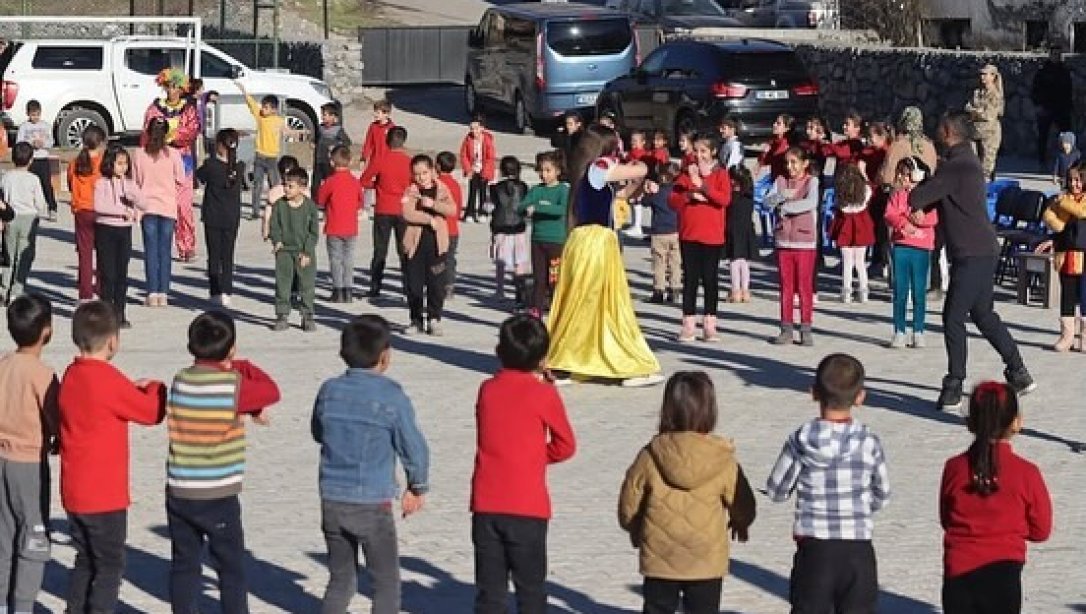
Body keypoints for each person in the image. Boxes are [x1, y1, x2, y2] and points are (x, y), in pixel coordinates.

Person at [909, 110, 1036, 411]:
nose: (936, 131)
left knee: (953, 317)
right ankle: (1018, 372)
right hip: (980, 249)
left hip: (973, 253)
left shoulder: (957, 166)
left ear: (949, 132)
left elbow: (918, 197)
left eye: (940, 127)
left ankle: (954, 385)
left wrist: (920, 189)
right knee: (983, 315)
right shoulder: (965, 163)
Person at [312, 315, 430, 614]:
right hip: (372, 502)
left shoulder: (329, 390)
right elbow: (413, 446)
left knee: (341, 580)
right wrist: (417, 485)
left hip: (332, 498)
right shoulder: (390, 394)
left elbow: (317, 431)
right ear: (385, 356)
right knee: (386, 582)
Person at [166, 311, 280, 613]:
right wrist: (241, 365)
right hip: (218, 493)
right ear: (231, 348)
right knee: (230, 568)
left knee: (184, 564)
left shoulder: (180, 380)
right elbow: (271, 390)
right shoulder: (232, 385)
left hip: (179, 489)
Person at [58, 301, 167, 614]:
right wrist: (155, 387)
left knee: (84, 560)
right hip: (105, 495)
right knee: (109, 566)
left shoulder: (73, 374)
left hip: (74, 491)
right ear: (113, 341)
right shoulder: (107, 378)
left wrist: (129, 388)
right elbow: (151, 412)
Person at [619, 371, 755, 614]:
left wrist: (635, 528)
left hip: (660, 554)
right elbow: (741, 500)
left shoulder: (651, 454)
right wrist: (741, 521)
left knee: (657, 608)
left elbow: (629, 502)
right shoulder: (722, 458)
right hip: (706, 556)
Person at [766, 353, 890, 614]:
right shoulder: (869, 442)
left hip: (815, 550)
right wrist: (860, 504)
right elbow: (882, 493)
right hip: (858, 551)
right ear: (860, 397)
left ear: (813, 394)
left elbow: (777, 490)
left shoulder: (800, 440)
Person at [472, 315, 576, 614]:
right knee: (530, 591)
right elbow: (566, 445)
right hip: (528, 507)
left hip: (487, 503)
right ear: (543, 358)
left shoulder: (487, 390)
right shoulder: (544, 394)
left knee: (490, 594)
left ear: (498, 352)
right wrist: (535, 455)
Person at [546, 124, 662, 387]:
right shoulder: (599, 166)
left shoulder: (592, 173)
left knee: (590, 302)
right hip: (595, 243)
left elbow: (621, 195)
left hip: (590, 242)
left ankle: (573, 361)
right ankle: (625, 364)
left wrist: (639, 186)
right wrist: (644, 165)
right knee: (606, 303)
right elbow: (640, 168)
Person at [939, 381, 1052, 614]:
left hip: (958, 573)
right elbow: (1041, 530)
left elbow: (946, 519)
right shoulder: (1026, 473)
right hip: (1003, 573)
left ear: (970, 422)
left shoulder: (954, 468)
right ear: (1016, 422)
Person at [0, 294, 58, 614]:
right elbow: (57, 419)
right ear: (47, 331)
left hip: (1, 460)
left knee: (3, 535)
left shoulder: (3, 364)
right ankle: (23, 605)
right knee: (33, 535)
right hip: (29, 465)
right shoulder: (43, 375)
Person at [668, 135, 732, 343]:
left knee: (710, 280)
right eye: (696, 151)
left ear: (713, 152)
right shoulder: (686, 175)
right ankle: (688, 323)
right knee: (691, 280)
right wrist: (688, 195)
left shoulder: (721, 174)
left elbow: (724, 199)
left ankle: (710, 323)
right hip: (689, 234)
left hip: (712, 236)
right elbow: (673, 201)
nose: (699, 155)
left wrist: (703, 187)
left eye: (703, 151)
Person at [877, 106, 941, 291]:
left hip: (900, 198)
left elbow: (888, 174)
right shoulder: (929, 145)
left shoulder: (898, 144)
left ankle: (899, 283)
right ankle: (926, 283)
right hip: (926, 197)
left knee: (896, 241)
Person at [144, 68, 200, 262]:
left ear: (182, 88)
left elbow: (192, 130)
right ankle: (161, 246)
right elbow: (147, 130)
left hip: (183, 161)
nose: (172, 90)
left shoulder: (189, 109)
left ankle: (187, 246)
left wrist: (172, 135)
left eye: (176, 86)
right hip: (160, 161)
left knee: (184, 207)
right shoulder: (154, 108)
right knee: (160, 206)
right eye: (168, 86)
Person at [766, 147, 820, 346]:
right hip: (783, 241)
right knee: (786, 287)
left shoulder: (811, 181)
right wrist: (781, 197)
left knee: (804, 287)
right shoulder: (780, 181)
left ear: (804, 163)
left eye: (794, 162)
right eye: (787, 162)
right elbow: (767, 202)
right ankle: (786, 327)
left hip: (804, 242)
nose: (790, 167)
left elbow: (811, 202)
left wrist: (786, 207)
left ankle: (806, 327)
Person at [884, 157, 937, 349]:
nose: (903, 178)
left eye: (907, 174)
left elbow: (930, 217)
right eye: (900, 174)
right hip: (901, 245)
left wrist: (914, 220)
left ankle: (918, 330)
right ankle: (899, 330)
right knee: (900, 291)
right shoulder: (897, 194)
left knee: (919, 291)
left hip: (922, 247)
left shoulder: (929, 195)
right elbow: (890, 214)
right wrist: (904, 222)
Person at [401, 155, 456, 336]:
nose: (421, 177)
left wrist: (434, 204)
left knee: (436, 284)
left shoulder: (442, 189)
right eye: (417, 174)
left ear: (432, 171)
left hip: (436, 246)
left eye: (424, 173)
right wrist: (428, 219)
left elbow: (452, 209)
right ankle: (416, 319)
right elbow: (407, 213)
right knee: (414, 286)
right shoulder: (411, 191)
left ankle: (434, 318)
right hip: (415, 246)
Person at [132, 117, 185, 308]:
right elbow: (181, 178)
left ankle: (152, 291)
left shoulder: (139, 154)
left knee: (150, 251)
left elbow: (136, 181)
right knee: (165, 251)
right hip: (167, 206)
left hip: (146, 206)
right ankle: (164, 292)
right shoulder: (173, 154)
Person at [1035, 163, 1086, 351]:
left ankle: (1085, 336)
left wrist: (1062, 202)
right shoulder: (1061, 199)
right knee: (1068, 295)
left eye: (1079, 180)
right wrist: (1053, 234)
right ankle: (1067, 336)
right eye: (1071, 180)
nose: (1075, 184)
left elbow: (1081, 212)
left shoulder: (1070, 201)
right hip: (1066, 253)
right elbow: (1056, 224)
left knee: (1085, 295)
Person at [93, 146, 144, 329]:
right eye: (119, 163)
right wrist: (122, 212)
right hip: (105, 229)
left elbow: (144, 202)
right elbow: (99, 206)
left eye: (125, 164)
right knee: (108, 274)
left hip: (124, 231)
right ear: (110, 163)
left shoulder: (130, 183)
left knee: (122, 274)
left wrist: (135, 200)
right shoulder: (101, 183)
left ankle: (120, 313)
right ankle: (106, 314)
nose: (123, 167)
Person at [359, 126, 412, 299]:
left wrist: (378, 186)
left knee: (380, 250)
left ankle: (375, 286)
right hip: (403, 209)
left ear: (387, 140)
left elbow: (364, 180)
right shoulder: (409, 162)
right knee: (404, 250)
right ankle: (408, 286)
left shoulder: (381, 159)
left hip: (383, 208)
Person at [195, 129, 245, 307]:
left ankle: (215, 291)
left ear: (220, 145)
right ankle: (227, 291)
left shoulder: (211, 165)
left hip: (213, 216)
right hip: (232, 217)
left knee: (214, 256)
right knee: (228, 256)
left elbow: (198, 178)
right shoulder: (240, 167)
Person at [269, 168, 321, 332]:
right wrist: (276, 241)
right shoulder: (279, 205)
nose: (286, 189)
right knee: (283, 284)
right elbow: (274, 226)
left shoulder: (310, 207)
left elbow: (313, 232)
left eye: (290, 186)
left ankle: (307, 315)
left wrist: (307, 251)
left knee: (307, 285)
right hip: (284, 251)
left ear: (302, 188)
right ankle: (282, 315)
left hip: (303, 252)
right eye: (285, 185)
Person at [519, 150, 568, 317]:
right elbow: (522, 206)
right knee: (539, 278)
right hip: (537, 239)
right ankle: (536, 309)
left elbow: (561, 210)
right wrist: (528, 208)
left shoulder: (562, 190)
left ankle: (558, 310)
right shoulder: (536, 190)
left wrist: (539, 207)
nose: (544, 174)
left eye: (548, 170)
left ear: (558, 171)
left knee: (554, 279)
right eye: (541, 170)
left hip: (556, 241)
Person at [1, 142, 47, 305]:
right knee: (24, 256)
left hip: (10, 217)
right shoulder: (33, 179)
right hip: (28, 218)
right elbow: (40, 203)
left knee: (8, 254)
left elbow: (3, 199)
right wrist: (43, 211)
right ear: (31, 160)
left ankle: (3, 288)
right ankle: (16, 290)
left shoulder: (6, 177)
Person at [316, 145, 363, 304]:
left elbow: (321, 200)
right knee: (348, 259)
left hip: (334, 226)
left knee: (335, 260)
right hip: (351, 226)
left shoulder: (330, 181)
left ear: (332, 162)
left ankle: (337, 290)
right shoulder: (355, 181)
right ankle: (348, 289)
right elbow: (360, 202)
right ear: (349, 161)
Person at [236, 80, 285, 221]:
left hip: (272, 158)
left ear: (274, 109)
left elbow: (286, 130)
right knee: (257, 184)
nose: (263, 109)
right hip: (260, 156)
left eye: (267, 107)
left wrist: (296, 133)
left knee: (274, 185)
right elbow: (251, 103)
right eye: (263, 106)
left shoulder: (279, 120)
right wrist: (244, 91)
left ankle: (276, 210)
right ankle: (255, 211)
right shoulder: (260, 117)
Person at [68, 125, 106, 301]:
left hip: (81, 209)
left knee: (84, 253)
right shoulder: (103, 162)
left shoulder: (75, 163)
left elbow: (70, 184)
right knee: (102, 251)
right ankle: (100, 287)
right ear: (100, 142)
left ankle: (85, 293)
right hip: (101, 210)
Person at [829, 163, 875, 304]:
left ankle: (846, 292)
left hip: (845, 227)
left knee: (847, 263)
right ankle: (864, 292)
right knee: (860, 263)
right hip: (862, 226)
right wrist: (864, 173)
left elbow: (836, 206)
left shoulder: (840, 196)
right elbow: (871, 188)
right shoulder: (865, 192)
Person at [488, 156, 530, 309]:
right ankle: (520, 290)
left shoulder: (495, 188)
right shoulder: (523, 186)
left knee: (501, 260)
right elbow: (526, 205)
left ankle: (500, 291)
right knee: (520, 260)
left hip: (500, 227)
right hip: (518, 226)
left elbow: (490, 206)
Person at [643, 162, 681, 305]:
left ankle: (659, 290)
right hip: (675, 231)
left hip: (659, 232)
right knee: (675, 262)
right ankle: (675, 288)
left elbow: (645, 202)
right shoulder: (676, 192)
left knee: (659, 262)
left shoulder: (656, 193)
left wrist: (648, 190)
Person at [1031, 46, 1073, 167]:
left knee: (1067, 137)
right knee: (1043, 136)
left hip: (1062, 108)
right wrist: (1038, 105)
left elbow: (1068, 90)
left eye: (1059, 54)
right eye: (1054, 54)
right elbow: (1035, 89)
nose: (1056, 57)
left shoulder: (1064, 71)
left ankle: (1066, 162)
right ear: (1050, 55)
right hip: (1046, 108)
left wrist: (1069, 106)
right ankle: (1042, 161)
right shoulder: (1043, 71)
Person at [17, 100, 57, 222]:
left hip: (43, 159)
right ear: (27, 114)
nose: (35, 117)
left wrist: (42, 144)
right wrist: (30, 144)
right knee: (29, 185)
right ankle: (30, 209)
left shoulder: (45, 125)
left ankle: (52, 208)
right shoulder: (24, 127)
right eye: (32, 115)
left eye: (37, 114)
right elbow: (19, 143)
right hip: (30, 160)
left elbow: (51, 142)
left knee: (46, 185)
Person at [965, 64, 1004, 181]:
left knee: (986, 166)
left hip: (990, 133)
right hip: (974, 131)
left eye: (985, 74)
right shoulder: (977, 92)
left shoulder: (995, 94)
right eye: (981, 74)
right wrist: (977, 111)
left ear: (993, 76)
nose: (982, 77)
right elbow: (967, 107)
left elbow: (989, 115)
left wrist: (976, 112)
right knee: (972, 163)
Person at [436, 151, 464, 300]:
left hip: (438, 228)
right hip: (452, 228)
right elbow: (458, 208)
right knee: (450, 258)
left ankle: (437, 284)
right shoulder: (456, 185)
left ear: (438, 166)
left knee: (437, 257)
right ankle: (450, 285)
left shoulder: (436, 184)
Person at [726, 165, 757, 303]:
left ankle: (735, 290)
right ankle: (745, 290)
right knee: (744, 262)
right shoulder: (749, 194)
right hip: (747, 229)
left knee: (734, 261)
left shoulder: (731, 196)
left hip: (733, 229)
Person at [360, 99, 396, 216]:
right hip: (375, 161)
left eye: (378, 112)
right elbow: (368, 143)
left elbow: (394, 145)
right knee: (366, 181)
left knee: (385, 183)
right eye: (375, 111)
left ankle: (383, 206)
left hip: (387, 162)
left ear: (386, 113)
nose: (375, 114)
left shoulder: (392, 127)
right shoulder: (373, 127)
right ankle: (366, 207)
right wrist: (364, 158)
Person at [460, 113, 497, 224]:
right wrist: (468, 169)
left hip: (484, 169)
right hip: (473, 169)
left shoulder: (487, 140)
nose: (473, 131)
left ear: (482, 128)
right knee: (472, 192)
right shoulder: (468, 139)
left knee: (483, 192)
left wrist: (485, 172)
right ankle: (470, 212)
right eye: (471, 128)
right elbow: (463, 155)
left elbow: (490, 157)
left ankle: (483, 212)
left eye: (476, 128)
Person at [312, 102, 352, 199]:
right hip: (318, 159)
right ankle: (315, 200)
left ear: (333, 116)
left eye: (325, 115)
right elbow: (316, 138)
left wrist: (336, 146)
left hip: (330, 161)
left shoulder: (338, 130)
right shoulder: (320, 127)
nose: (323, 117)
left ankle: (330, 198)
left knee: (329, 181)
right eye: (323, 114)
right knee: (315, 182)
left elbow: (347, 142)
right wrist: (313, 142)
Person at [758, 114, 795, 181]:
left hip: (785, 182)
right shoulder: (773, 142)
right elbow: (763, 162)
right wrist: (765, 152)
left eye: (778, 123)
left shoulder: (788, 145)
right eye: (775, 122)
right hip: (775, 181)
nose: (774, 125)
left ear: (787, 128)